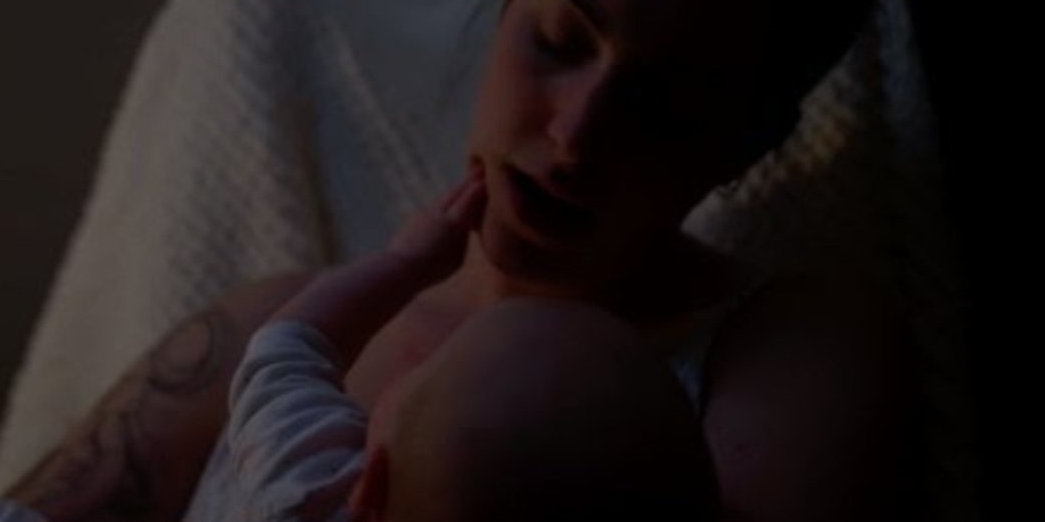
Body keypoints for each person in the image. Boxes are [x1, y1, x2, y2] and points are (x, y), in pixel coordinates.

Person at [3, 0, 918, 521]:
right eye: (558, 38)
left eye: (663, 105)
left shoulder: (787, 357)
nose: (577, 132)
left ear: (749, 142)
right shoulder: (276, 329)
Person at [184, 168, 722, 521]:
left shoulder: (307, 495)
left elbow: (287, 347)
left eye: (426, 373)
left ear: (369, 485)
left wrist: (404, 264)